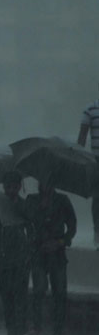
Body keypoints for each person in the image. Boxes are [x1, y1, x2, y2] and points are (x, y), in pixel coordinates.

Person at [24, 176, 77, 335]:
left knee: (59, 292)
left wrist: (61, 241)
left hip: (57, 252)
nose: (44, 185)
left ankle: (58, 333)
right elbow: (26, 222)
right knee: (38, 290)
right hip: (38, 252)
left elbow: (72, 224)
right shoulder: (32, 200)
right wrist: (33, 240)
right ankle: (35, 330)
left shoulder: (62, 200)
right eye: (42, 181)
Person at [0, 171, 32, 335]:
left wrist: (29, 252)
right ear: (4, 186)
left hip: (21, 255)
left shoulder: (24, 206)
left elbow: (31, 228)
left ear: (19, 186)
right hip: (3, 256)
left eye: (14, 186)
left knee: (21, 294)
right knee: (6, 294)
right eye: (8, 186)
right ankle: (11, 329)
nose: (11, 189)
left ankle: (21, 328)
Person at [77, 92, 99, 246]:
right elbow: (82, 137)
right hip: (95, 160)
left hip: (94, 160)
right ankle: (98, 231)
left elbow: (82, 137)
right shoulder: (90, 109)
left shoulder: (90, 109)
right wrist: (79, 159)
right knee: (97, 197)